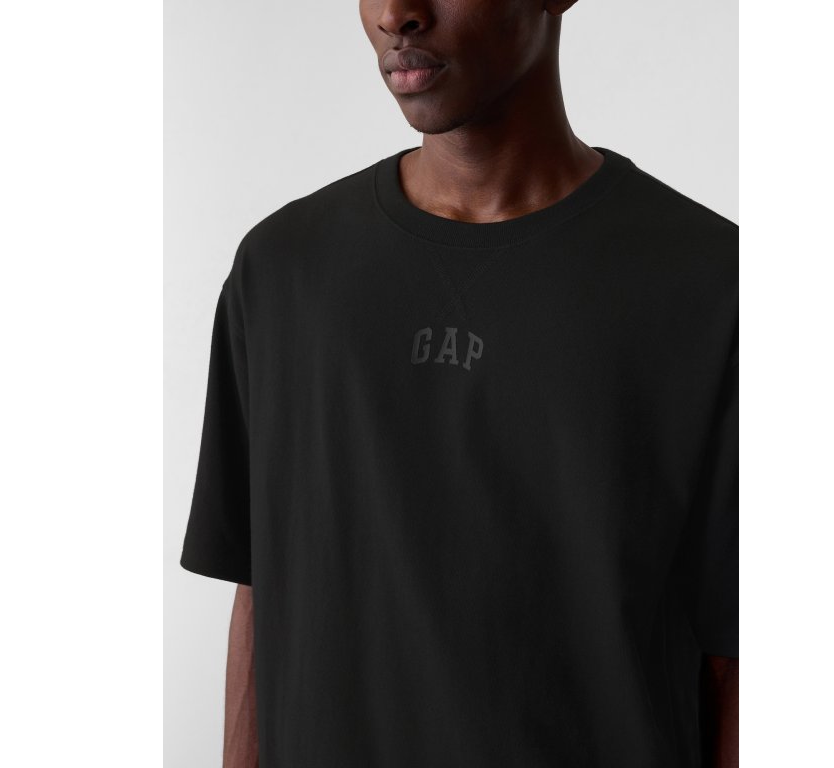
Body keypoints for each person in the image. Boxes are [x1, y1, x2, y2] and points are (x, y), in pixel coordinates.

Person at [179, 0, 738, 765]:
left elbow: (736, 655)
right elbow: (261, 588)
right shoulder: (283, 272)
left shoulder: (708, 286)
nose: (397, 14)